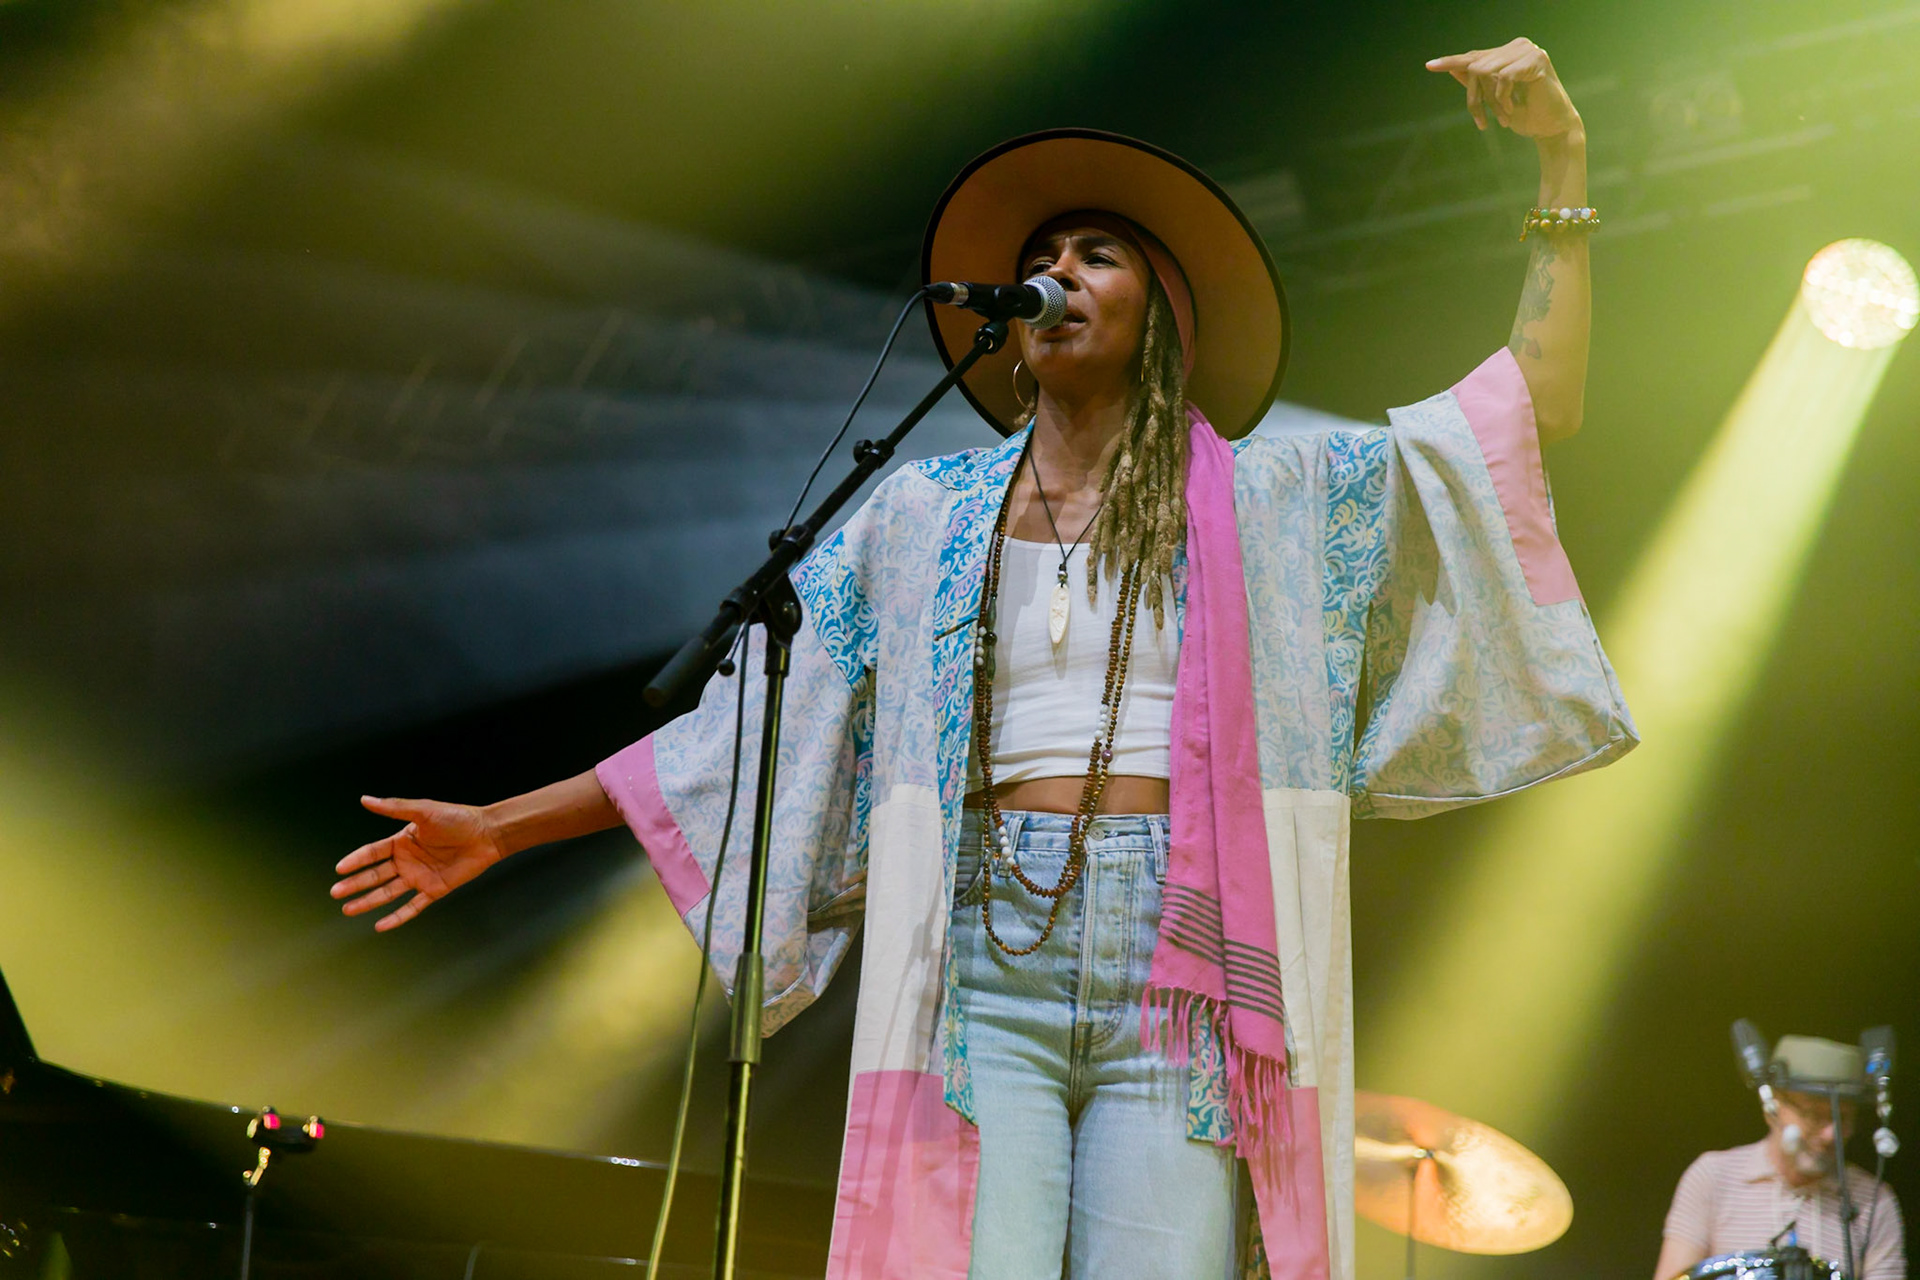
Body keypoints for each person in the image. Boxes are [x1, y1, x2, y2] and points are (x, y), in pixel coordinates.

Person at [332, 38, 1635, 1280]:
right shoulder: (923, 516)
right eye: (1041, 259)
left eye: (1098, 253)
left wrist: (1563, 163)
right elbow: (733, 735)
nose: (1059, 273)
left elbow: (1533, 407)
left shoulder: (1281, 497)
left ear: (1164, 309)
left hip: (1177, 966)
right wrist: (502, 827)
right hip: (980, 953)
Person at [1656, 1036, 1906, 1280]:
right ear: (1772, 1107)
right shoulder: (1713, 1176)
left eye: (1844, 1118)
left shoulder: (1874, 1201)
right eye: (1814, 1115)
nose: (1831, 1134)